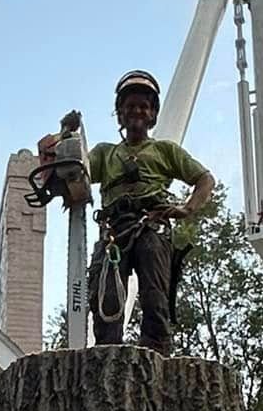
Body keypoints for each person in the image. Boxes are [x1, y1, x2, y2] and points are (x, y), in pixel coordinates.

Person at [87, 70, 215, 355]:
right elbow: (80, 170)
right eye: (130, 106)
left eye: (143, 106)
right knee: (106, 293)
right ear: (120, 113)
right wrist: (66, 142)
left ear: (153, 114)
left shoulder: (164, 151)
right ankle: (107, 352)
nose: (137, 111)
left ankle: (157, 352)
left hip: (150, 225)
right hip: (114, 229)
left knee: (155, 294)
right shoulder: (105, 153)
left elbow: (205, 180)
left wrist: (186, 209)